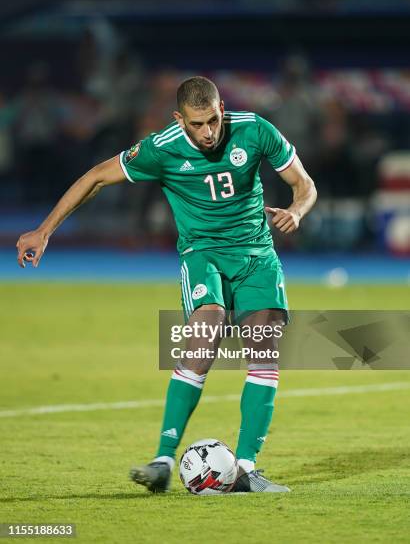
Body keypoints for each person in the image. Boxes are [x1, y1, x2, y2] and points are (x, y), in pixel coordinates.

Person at [16, 76, 317, 494]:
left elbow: (304, 183)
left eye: (214, 120)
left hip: (257, 259)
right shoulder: (162, 148)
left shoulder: (254, 129)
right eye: (197, 124)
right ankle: (162, 460)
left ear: (222, 109)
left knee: (263, 355)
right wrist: (45, 230)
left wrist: (297, 211)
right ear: (180, 119)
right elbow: (96, 177)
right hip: (203, 257)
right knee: (204, 340)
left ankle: (246, 469)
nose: (209, 132)